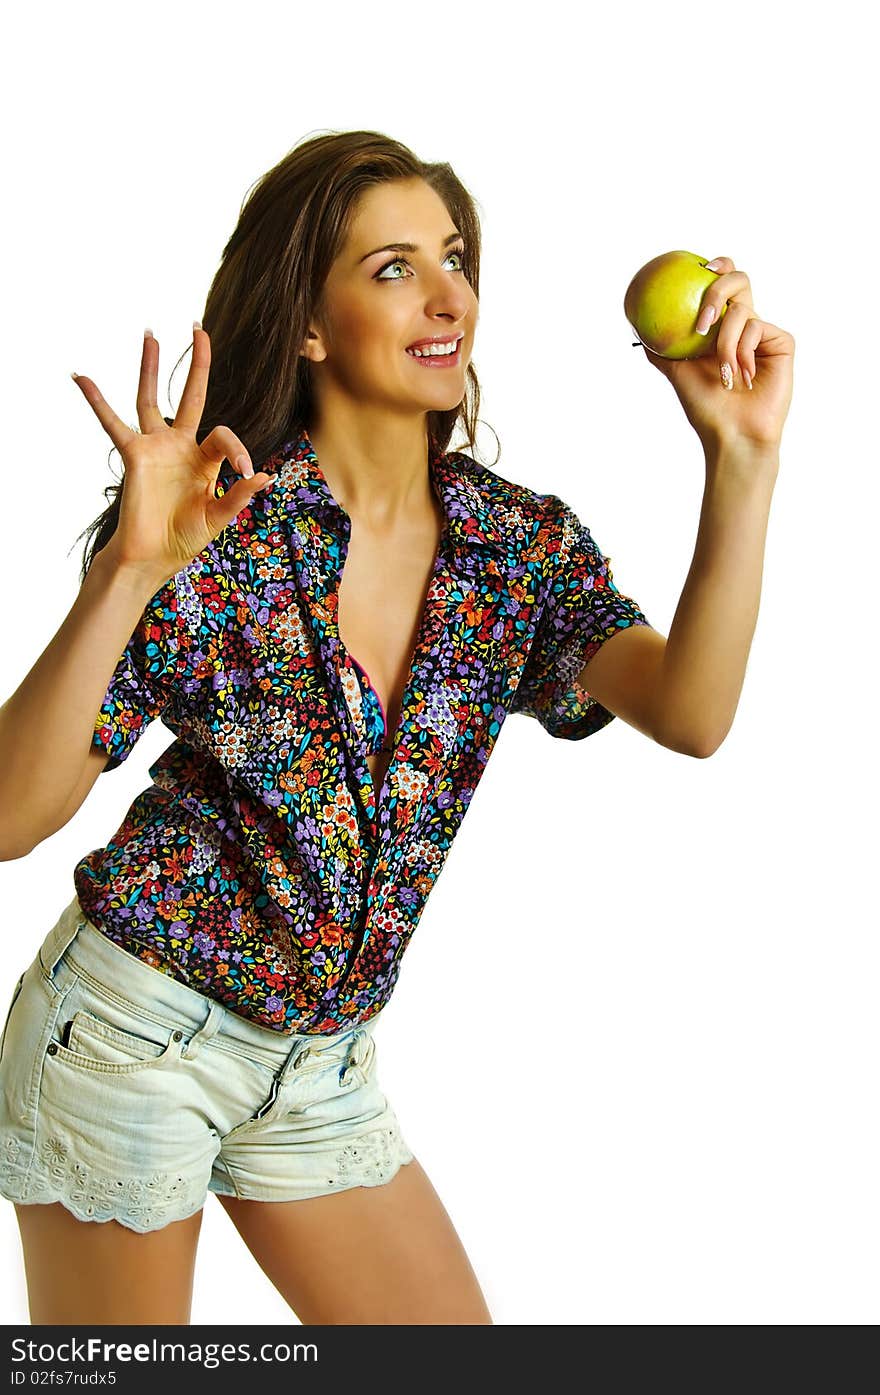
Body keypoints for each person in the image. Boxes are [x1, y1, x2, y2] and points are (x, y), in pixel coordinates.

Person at [0, 129, 794, 1326]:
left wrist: (740, 455)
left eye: (455, 257)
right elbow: (12, 818)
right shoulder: (224, 531)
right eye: (391, 267)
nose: (447, 296)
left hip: (319, 1064)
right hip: (127, 1037)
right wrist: (123, 574)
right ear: (308, 324)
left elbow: (689, 714)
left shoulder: (513, 549)